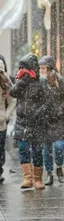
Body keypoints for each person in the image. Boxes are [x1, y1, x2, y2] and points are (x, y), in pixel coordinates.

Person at [10, 54, 51, 190]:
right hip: (22, 122)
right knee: (23, 149)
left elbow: (47, 102)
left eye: (26, 67)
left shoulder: (42, 82)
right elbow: (12, 92)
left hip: (37, 123)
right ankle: (27, 178)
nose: (24, 70)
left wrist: (37, 113)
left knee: (37, 150)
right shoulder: (21, 81)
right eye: (22, 68)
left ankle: (38, 179)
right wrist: (23, 81)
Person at [39, 56, 64, 185]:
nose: (41, 70)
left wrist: (61, 109)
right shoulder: (40, 83)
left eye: (43, 68)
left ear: (50, 68)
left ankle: (59, 168)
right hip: (45, 120)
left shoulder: (61, 82)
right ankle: (49, 173)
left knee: (59, 146)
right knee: (46, 149)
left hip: (58, 120)